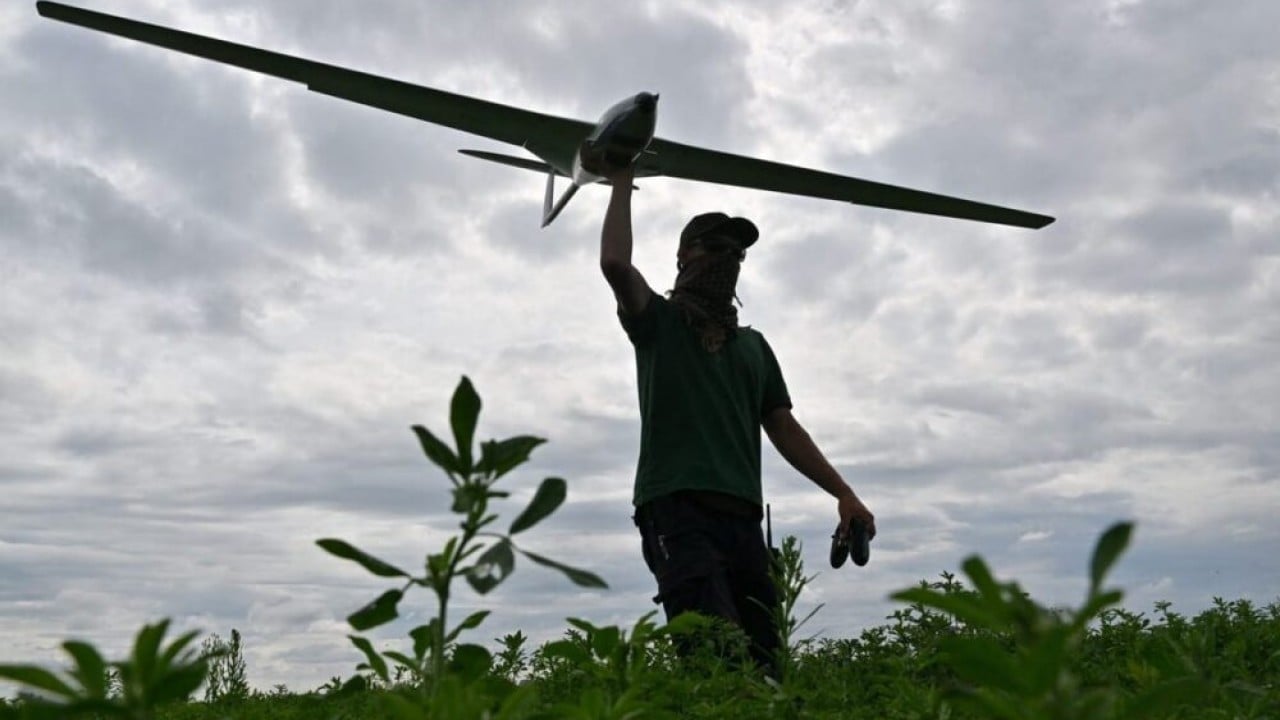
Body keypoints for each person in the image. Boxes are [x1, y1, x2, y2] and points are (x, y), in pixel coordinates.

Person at [597, 162, 877, 675]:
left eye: (737, 253)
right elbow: (615, 263)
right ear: (683, 256)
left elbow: (785, 428)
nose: (727, 260)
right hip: (677, 512)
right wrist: (620, 177)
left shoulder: (753, 347)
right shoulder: (658, 324)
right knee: (715, 660)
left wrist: (843, 493)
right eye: (714, 248)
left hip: (742, 521)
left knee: (766, 665)